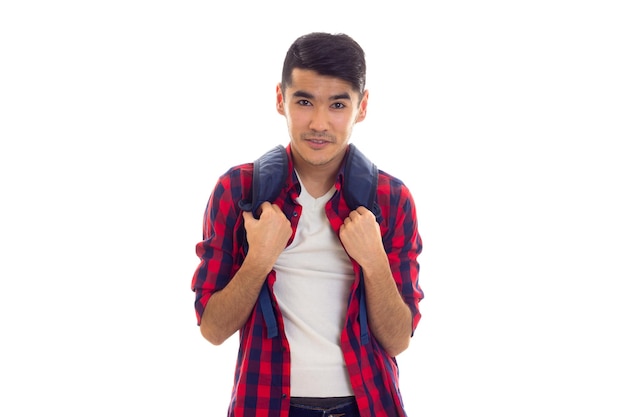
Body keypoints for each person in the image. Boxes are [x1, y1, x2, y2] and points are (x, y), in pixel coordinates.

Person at [191, 32, 424, 417]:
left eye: (337, 104)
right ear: (280, 99)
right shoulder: (239, 190)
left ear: (361, 107)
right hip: (266, 404)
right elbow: (213, 330)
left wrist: (374, 260)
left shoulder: (391, 199)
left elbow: (398, 340)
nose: (319, 123)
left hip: (367, 406)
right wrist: (259, 258)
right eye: (304, 101)